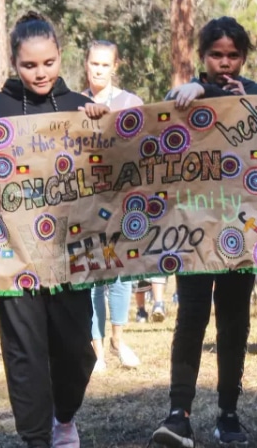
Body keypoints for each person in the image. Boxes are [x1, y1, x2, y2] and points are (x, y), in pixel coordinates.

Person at [0, 12, 108, 448]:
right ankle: (35, 438)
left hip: (71, 255)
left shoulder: (78, 107)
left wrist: (101, 124)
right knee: (24, 354)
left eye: (48, 62)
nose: (40, 72)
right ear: (14, 62)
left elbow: (109, 169)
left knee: (75, 350)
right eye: (30, 65)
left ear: (60, 57)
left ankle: (64, 416)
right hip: (13, 258)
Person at [150, 17, 257, 448]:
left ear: (243, 57)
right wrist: (200, 94)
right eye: (216, 55)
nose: (225, 63)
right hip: (192, 227)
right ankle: (178, 413)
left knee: (234, 320)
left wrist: (229, 98)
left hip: (241, 228)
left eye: (233, 55)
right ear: (202, 57)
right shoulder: (180, 96)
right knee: (192, 317)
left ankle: (229, 413)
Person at [82, 40, 143, 371]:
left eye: (105, 64)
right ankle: (98, 351)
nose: (98, 70)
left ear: (115, 67)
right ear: (86, 64)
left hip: (122, 200)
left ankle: (119, 339)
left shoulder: (131, 102)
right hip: (85, 202)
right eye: (94, 63)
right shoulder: (74, 104)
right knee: (92, 277)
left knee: (120, 275)